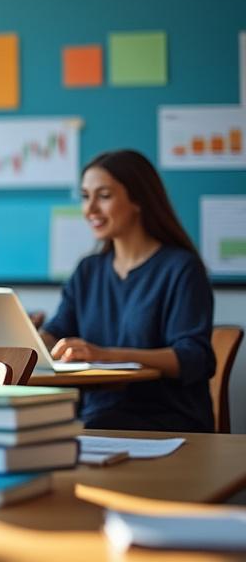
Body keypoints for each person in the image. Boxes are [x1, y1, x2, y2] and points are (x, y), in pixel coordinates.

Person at [39, 149, 214, 432]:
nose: (90, 209)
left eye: (104, 196)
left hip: (164, 419)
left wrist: (104, 354)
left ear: (138, 200)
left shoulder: (181, 268)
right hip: (97, 414)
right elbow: (58, 329)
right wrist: (32, 336)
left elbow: (193, 357)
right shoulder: (89, 269)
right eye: (85, 197)